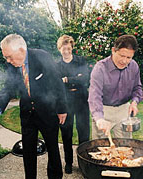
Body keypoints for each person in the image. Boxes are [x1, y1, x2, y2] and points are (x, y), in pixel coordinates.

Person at [0, 34, 67, 179]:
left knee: (52, 148)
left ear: (21, 50)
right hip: (27, 114)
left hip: (48, 112)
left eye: (9, 57)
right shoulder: (12, 64)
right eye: (6, 57)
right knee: (28, 152)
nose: (8, 61)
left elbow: (57, 83)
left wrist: (62, 109)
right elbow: (8, 87)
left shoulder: (42, 57)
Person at [88, 35, 143, 139]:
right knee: (100, 148)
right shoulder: (100, 68)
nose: (125, 61)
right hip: (103, 111)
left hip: (123, 111)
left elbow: (137, 88)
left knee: (125, 147)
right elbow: (95, 96)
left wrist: (134, 102)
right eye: (122, 56)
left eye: (129, 57)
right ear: (113, 50)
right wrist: (99, 119)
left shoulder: (134, 66)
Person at [56, 35, 90, 174]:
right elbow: (57, 83)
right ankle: (68, 163)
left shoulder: (80, 60)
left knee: (84, 133)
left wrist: (67, 79)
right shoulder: (57, 66)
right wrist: (77, 78)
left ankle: (84, 163)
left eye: (68, 48)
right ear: (60, 49)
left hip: (81, 100)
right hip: (66, 101)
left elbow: (86, 79)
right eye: (64, 49)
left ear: (72, 47)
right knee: (66, 133)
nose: (66, 51)